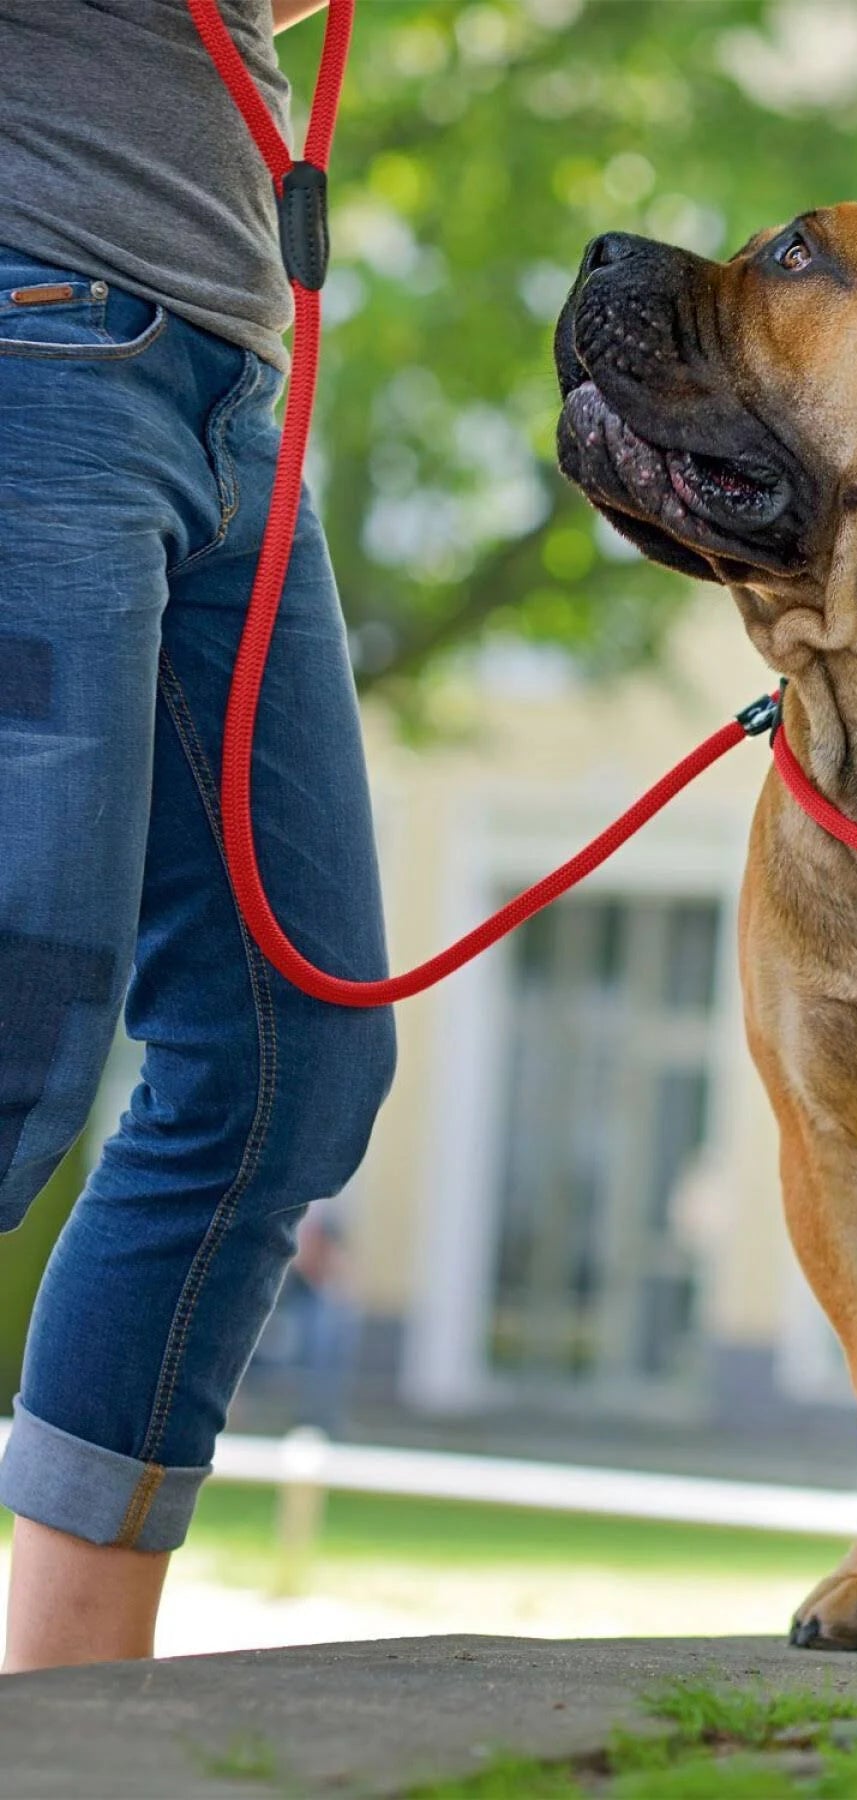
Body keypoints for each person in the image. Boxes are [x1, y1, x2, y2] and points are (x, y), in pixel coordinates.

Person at [0, 0, 395, 1671]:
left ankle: (73, 1710)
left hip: (233, 385)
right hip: (35, 327)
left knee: (284, 1059)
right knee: (19, 1034)